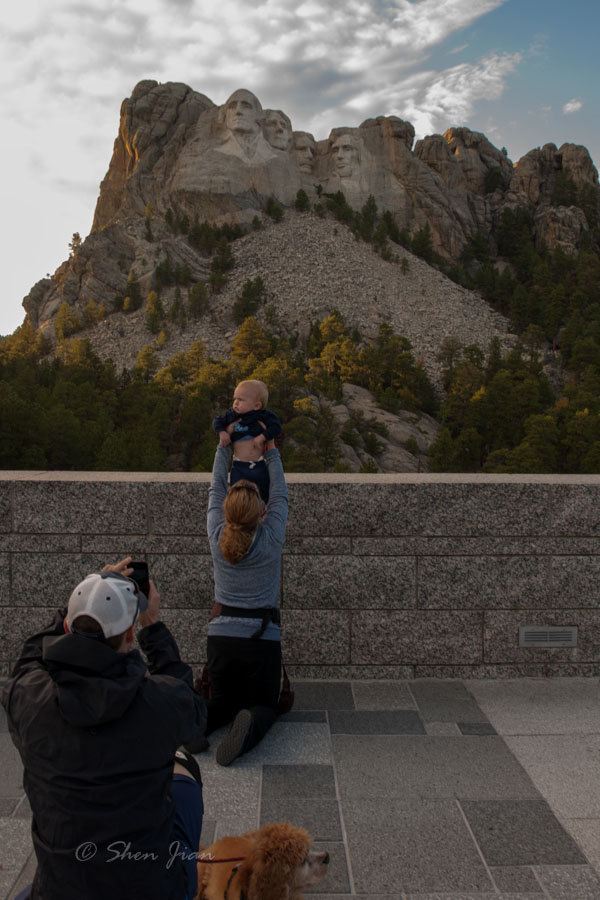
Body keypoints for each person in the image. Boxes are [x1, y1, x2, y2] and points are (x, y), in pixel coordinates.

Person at [1, 557, 207, 900]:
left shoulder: (30, 700)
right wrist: (153, 626)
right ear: (130, 635)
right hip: (153, 887)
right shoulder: (159, 703)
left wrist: (83, 600)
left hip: (60, 889)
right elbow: (194, 710)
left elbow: (27, 661)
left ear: (68, 627)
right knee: (185, 776)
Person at [186, 438, 288, 766]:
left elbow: (216, 485)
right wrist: (270, 450)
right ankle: (249, 724)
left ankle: (197, 726)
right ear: (262, 511)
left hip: (221, 638)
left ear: (227, 510)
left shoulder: (217, 534)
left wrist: (223, 447)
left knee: (221, 700)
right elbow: (281, 492)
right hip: (261, 638)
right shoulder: (270, 537)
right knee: (264, 706)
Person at [212, 378, 283, 502]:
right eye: (235, 399)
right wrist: (222, 432)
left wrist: (263, 436)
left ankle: (262, 514)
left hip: (260, 466)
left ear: (257, 405)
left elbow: (276, 427)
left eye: (241, 400)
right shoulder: (232, 415)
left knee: (263, 497)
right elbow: (217, 421)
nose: (235, 403)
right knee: (236, 497)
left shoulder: (264, 416)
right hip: (239, 467)